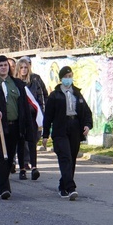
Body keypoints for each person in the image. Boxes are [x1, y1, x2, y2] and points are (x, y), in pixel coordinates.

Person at [0, 55, 35, 200]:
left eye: (5, 65)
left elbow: (23, 104)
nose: (3, 68)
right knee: (1, 157)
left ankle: (3, 184)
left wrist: (27, 126)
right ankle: (4, 188)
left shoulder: (17, 83)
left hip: (14, 126)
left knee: (10, 157)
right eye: (0, 65)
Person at [42, 65, 93, 200]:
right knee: (65, 157)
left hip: (75, 127)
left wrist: (87, 125)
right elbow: (48, 116)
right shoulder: (55, 95)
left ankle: (62, 185)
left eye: (70, 76)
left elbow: (86, 112)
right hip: (60, 128)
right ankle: (71, 188)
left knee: (72, 158)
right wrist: (45, 135)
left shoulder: (77, 93)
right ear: (61, 79)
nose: (68, 79)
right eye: (66, 77)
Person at [15, 56, 48, 180]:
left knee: (32, 142)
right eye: (21, 67)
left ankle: (34, 167)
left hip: (33, 117)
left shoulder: (35, 81)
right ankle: (22, 168)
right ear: (18, 69)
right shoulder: (15, 82)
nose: (24, 70)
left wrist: (41, 114)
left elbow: (41, 98)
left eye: (26, 68)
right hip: (19, 117)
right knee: (21, 142)